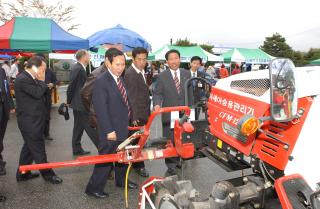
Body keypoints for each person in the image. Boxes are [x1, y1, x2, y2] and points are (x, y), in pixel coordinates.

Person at [85, 48, 138, 199]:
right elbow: (100, 108)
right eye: (117, 64)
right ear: (108, 62)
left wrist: (131, 117)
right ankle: (93, 188)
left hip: (122, 125)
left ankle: (121, 181)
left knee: (122, 155)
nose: (121, 68)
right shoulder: (102, 81)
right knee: (105, 159)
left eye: (123, 64)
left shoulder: (119, 77)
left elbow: (124, 101)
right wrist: (109, 130)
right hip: (110, 129)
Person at [14, 56, 62, 184]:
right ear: (35, 67)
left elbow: (40, 93)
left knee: (29, 148)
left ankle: (22, 173)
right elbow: (37, 93)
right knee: (38, 148)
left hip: (34, 119)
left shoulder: (29, 77)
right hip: (29, 121)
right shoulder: (23, 78)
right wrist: (41, 80)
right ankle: (48, 174)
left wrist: (41, 82)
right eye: (43, 69)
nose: (44, 71)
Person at [153, 49, 193, 175]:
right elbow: (157, 93)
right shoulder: (161, 76)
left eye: (176, 58)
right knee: (170, 138)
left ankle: (181, 158)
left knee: (183, 136)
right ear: (167, 61)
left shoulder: (187, 73)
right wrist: (157, 104)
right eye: (171, 59)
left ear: (180, 59)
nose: (174, 61)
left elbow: (190, 92)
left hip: (184, 112)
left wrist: (191, 108)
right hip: (169, 112)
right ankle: (170, 163)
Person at [124, 47, 150, 178]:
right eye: (139, 59)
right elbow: (131, 97)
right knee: (136, 142)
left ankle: (133, 163)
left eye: (144, 59)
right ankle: (139, 166)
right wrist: (134, 116)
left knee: (139, 140)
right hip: (137, 115)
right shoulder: (131, 74)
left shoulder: (141, 71)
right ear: (133, 59)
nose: (142, 62)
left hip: (143, 112)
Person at [67, 50, 99, 156]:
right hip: (79, 103)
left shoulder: (80, 68)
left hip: (79, 103)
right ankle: (102, 147)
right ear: (83, 57)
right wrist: (68, 100)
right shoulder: (77, 68)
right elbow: (71, 85)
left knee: (78, 127)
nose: (89, 57)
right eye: (88, 55)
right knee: (89, 126)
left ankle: (76, 148)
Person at [0, 67, 15, 176]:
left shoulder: (1, 70)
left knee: (1, 137)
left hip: (3, 109)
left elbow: (5, 87)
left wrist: (11, 104)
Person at [43, 67, 58, 141]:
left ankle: (46, 133)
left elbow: (56, 81)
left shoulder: (49, 71)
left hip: (47, 96)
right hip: (36, 97)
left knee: (47, 116)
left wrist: (53, 84)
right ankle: (38, 133)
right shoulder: (34, 70)